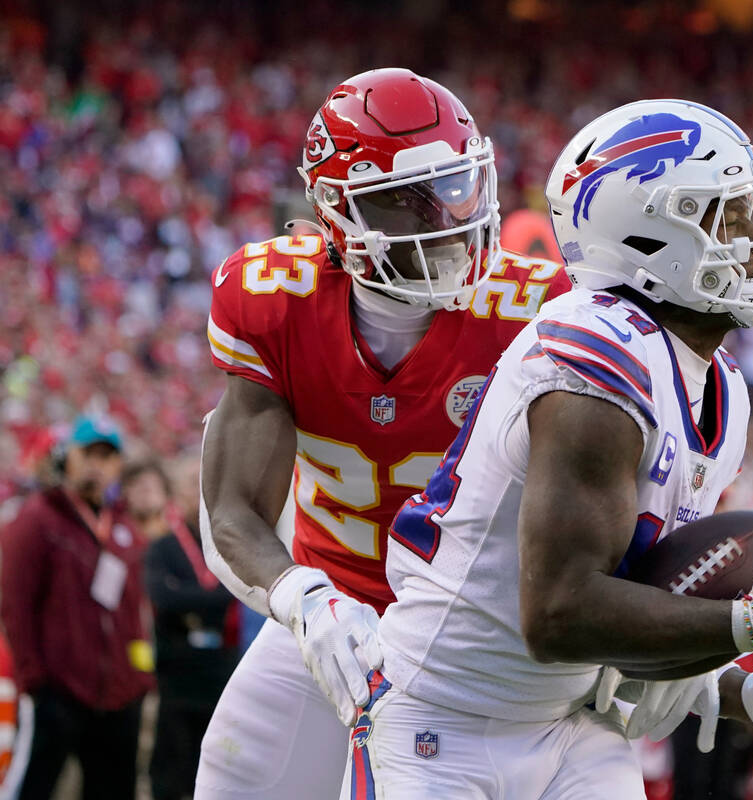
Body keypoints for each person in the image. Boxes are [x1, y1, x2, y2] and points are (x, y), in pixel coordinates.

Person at [345, 99, 753, 799]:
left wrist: (738, 691)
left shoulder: (720, 386)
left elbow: (639, 597)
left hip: (573, 721)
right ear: (646, 237)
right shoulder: (595, 354)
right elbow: (559, 616)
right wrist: (751, 623)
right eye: (726, 216)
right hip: (445, 721)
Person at [196, 67, 572, 800]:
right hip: (327, 610)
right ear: (338, 213)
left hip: (472, 633)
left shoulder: (539, 312)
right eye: (405, 200)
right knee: (235, 771)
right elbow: (233, 509)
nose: (444, 219)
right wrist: (300, 596)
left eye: (455, 187)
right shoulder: (273, 301)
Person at [0, 416, 155, 800]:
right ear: (67, 457)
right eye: (88, 454)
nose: (96, 465)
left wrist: (137, 679)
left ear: (118, 465)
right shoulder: (38, 518)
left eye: (106, 456)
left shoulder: (122, 528)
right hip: (57, 691)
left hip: (118, 696)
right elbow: (16, 604)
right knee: (33, 786)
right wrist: (33, 679)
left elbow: (133, 612)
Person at [144, 456, 238, 800]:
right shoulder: (164, 546)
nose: (200, 493)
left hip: (217, 669)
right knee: (172, 766)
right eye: (192, 485)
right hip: (176, 673)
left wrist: (197, 598)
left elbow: (237, 593)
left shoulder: (223, 545)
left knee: (212, 766)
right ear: (176, 494)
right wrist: (211, 596)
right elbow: (164, 597)